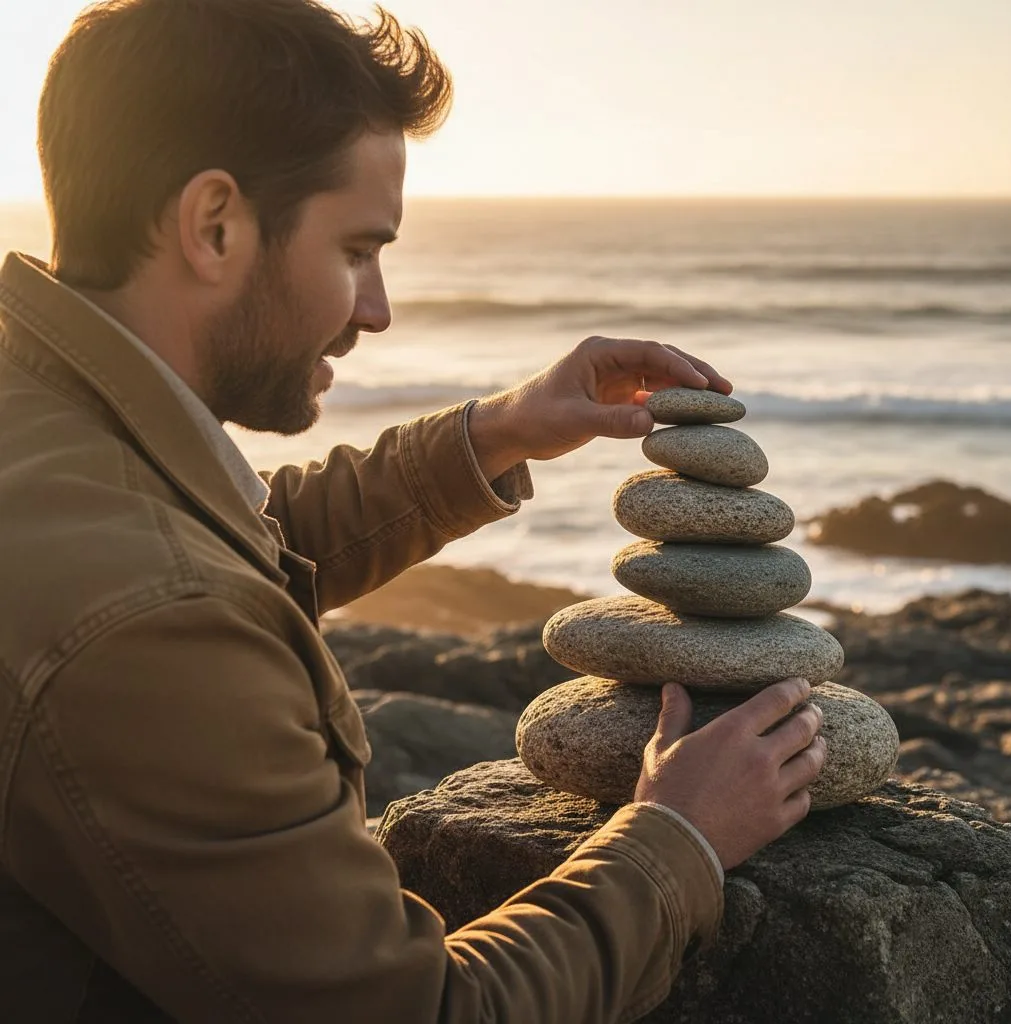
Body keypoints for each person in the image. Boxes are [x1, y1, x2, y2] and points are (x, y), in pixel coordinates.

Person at [0, 2, 826, 1020]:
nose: (376, 308)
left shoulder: (42, 417)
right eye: (356, 249)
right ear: (214, 225)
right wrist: (678, 838)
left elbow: (231, 551)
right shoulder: (145, 620)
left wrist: (499, 429)